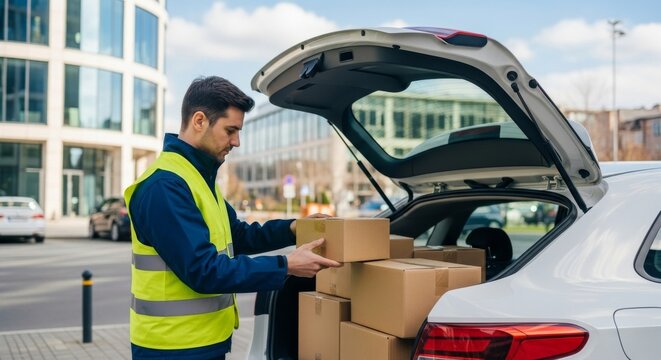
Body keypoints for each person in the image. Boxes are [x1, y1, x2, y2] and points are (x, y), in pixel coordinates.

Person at [125, 76, 341, 359]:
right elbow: (204, 271)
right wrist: (286, 265)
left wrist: (292, 228)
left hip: (201, 342)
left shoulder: (198, 178)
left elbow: (237, 235)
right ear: (199, 120)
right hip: (173, 348)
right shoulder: (164, 187)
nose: (236, 142)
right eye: (230, 130)